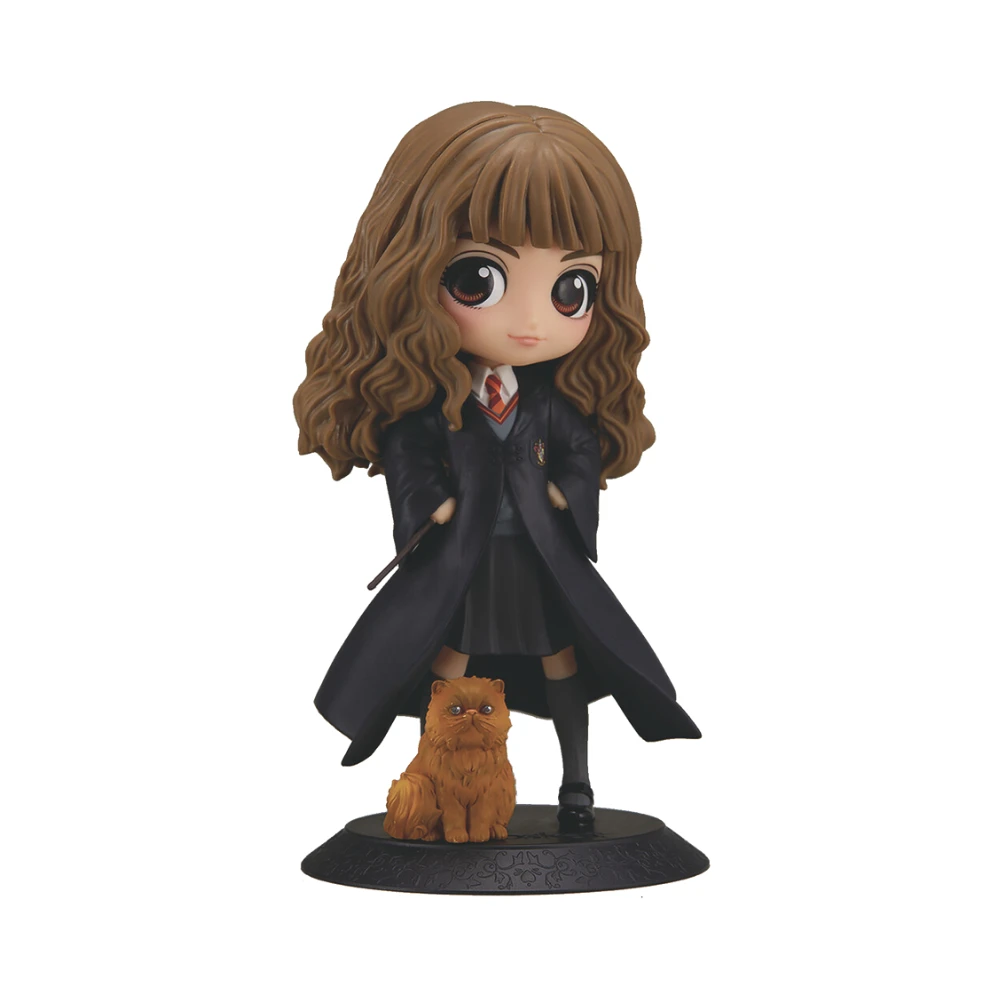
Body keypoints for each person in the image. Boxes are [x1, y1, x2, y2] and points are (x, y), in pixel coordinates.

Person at [293, 102, 700, 833]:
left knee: (562, 660)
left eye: (571, 288)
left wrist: (568, 490)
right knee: (446, 660)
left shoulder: (550, 402)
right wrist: (428, 503)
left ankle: (577, 781)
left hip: (538, 557)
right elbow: (407, 452)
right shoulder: (437, 401)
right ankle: (430, 776)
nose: (532, 323)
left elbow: (581, 448)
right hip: (467, 557)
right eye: (479, 279)